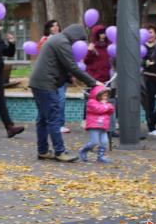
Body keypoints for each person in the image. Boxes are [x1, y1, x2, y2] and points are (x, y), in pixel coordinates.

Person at [29, 24, 102, 162]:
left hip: (38, 82)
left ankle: (43, 150)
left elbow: (58, 63)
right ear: (75, 36)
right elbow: (72, 66)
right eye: (77, 41)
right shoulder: (62, 42)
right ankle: (59, 151)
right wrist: (93, 82)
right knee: (53, 117)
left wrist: (69, 78)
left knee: (43, 119)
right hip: (46, 83)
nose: (76, 44)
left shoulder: (57, 39)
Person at [39, 20, 69, 133]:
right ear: (48, 28)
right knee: (52, 100)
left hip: (62, 74)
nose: (55, 27)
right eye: (53, 26)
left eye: (57, 25)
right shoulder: (44, 40)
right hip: (49, 75)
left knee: (61, 99)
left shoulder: (64, 39)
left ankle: (60, 123)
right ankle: (52, 123)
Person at [78, 86, 115, 163]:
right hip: (94, 125)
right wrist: (106, 106)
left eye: (106, 96)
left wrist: (106, 106)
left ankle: (100, 156)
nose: (106, 97)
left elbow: (111, 110)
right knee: (94, 142)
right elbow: (99, 110)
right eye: (104, 95)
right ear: (98, 95)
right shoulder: (91, 102)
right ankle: (83, 150)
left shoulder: (105, 103)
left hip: (103, 126)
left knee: (104, 141)